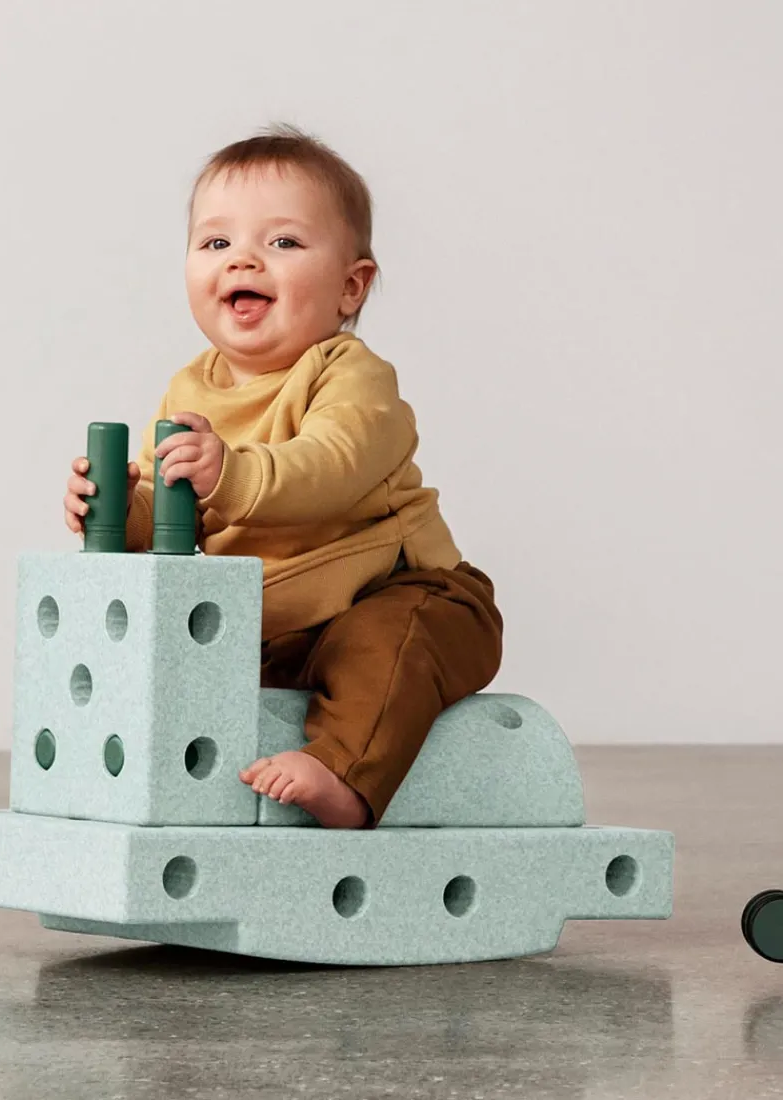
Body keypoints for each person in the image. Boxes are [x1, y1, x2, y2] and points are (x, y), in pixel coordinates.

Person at [63, 124, 503, 829]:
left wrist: (231, 474)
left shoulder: (351, 375)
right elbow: (175, 511)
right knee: (177, 651)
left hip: (401, 591)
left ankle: (346, 781)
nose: (243, 259)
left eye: (283, 242)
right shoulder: (188, 390)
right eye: (216, 243)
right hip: (275, 627)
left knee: (384, 643)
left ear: (350, 287)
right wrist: (116, 508)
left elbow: (331, 466)